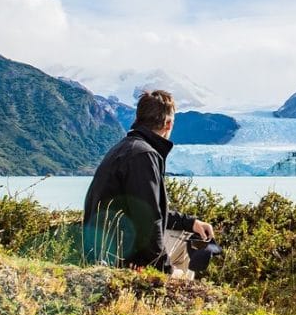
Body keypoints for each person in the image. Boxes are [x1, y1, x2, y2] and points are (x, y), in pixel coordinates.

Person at [83, 89, 214, 275]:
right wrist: (166, 272)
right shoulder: (143, 156)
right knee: (188, 253)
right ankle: (169, 298)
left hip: (109, 248)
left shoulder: (127, 148)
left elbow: (146, 208)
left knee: (191, 235)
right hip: (121, 258)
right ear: (168, 124)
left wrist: (190, 223)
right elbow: (149, 224)